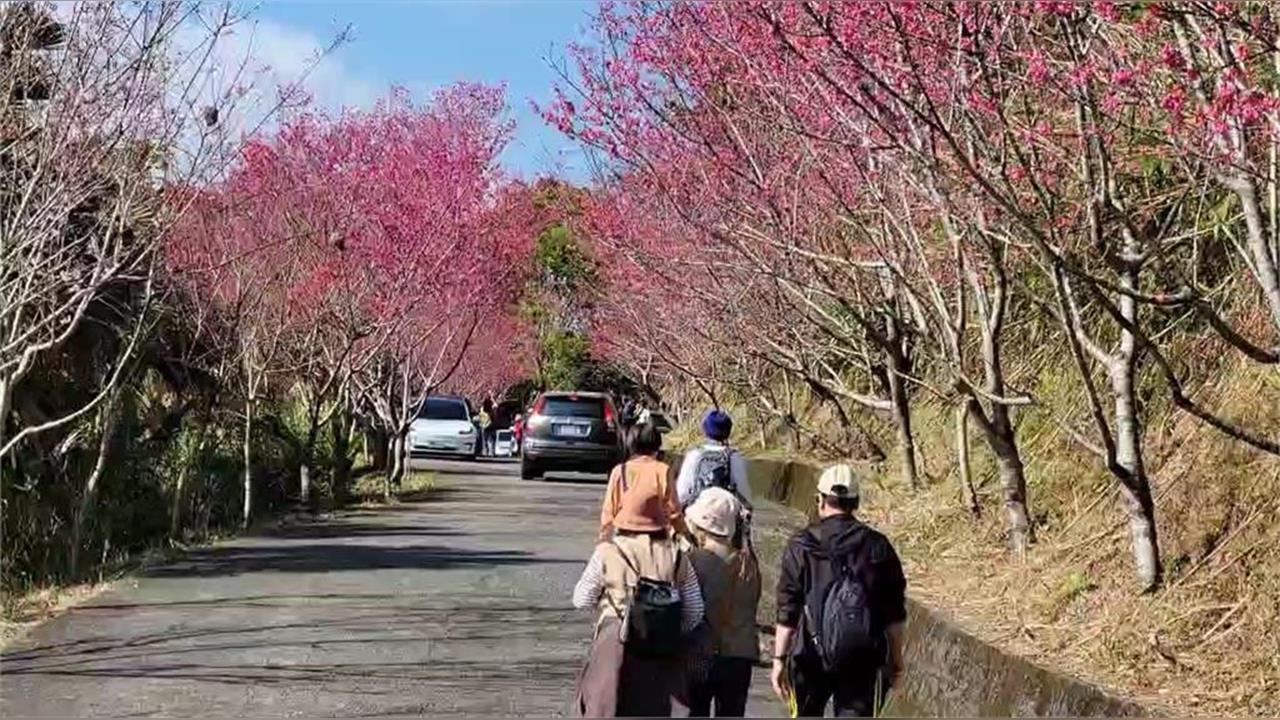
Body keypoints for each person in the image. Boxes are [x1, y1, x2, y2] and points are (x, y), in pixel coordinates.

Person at [770, 464, 907, 718]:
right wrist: (896, 660)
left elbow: (788, 609)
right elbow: (894, 613)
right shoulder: (878, 546)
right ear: (855, 502)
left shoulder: (801, 545)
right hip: (863, 659)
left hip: (810, 655)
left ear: (820, 500)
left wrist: (779, 659)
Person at [572, 473, 706, 717]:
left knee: (605, 706)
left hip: (616, 642)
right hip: (664, 647)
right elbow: (695, 611)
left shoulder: (608, 551)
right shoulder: (677, 555)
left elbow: (582, 599)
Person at [685, 488, 761, 718]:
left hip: (701, 653)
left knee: (696, 711)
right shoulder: (748, 562)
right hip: (740, 654)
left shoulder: (693, 560)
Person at [599, 423, 688, 542]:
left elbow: (609, 511)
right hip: (656, 535)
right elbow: (673, 510)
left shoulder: (620, 470)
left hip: (624, 534)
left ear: (631, 445)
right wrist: (685, 532)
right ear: (657, 445)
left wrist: (604, 538)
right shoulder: (663, 470)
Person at [676, 409, 752, 510]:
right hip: (725, 512)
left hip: (698, 512)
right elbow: (743, 491)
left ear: (706, 430)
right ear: (728, 431)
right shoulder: (734, 457)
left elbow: (682, 491)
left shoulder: (695, 454)